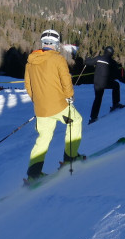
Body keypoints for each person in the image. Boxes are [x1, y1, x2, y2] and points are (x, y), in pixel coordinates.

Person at [24, 29, 85, 182]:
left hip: (41, 108)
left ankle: (34, 173)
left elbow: (28, 86)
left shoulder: (30, 62)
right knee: (75, 121)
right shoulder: (58, 59)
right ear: (56, 44)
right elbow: (66, 80)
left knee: (43, 137)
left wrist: (38, 101)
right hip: (59, 104)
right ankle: (70, 157)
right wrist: (69, 96)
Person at [85, 45, 125, 124]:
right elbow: (118, 76)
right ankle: (115, 104)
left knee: (98, 98)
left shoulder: (98, 58)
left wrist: (87, 59)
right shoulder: (112, 62)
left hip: (97, 83)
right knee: (116, 85)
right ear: (111, 54)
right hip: (105, 82)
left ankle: (93, 118)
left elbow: (88, 62)